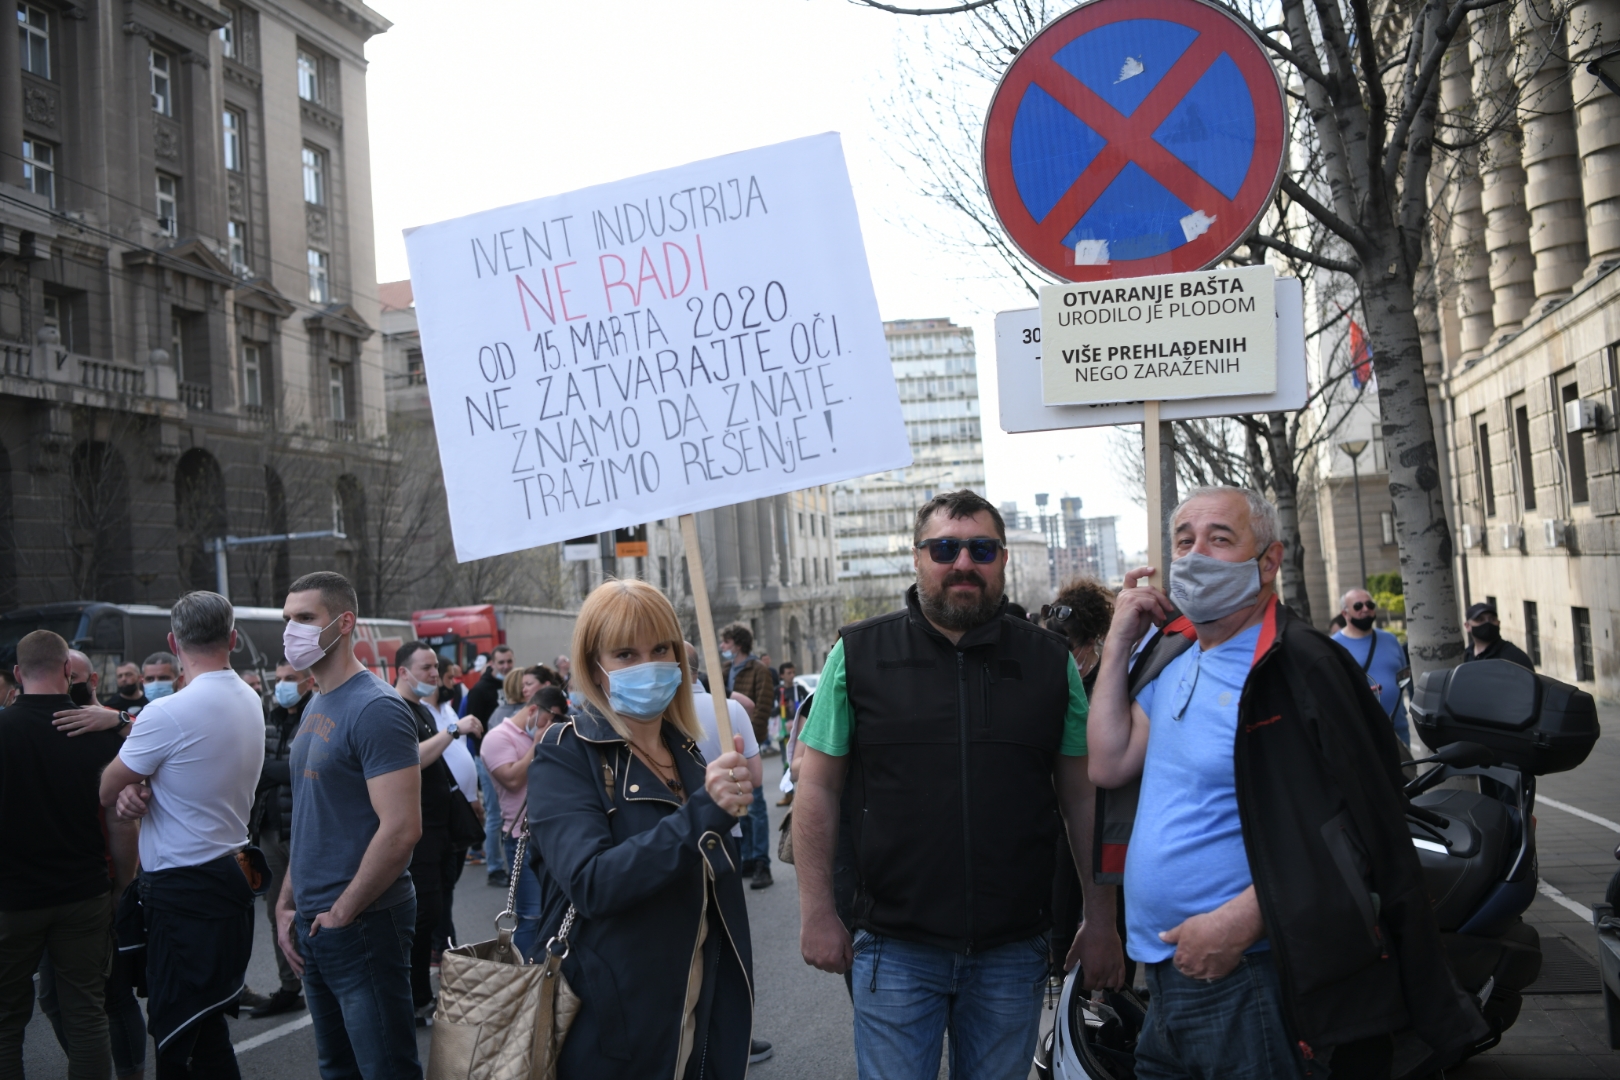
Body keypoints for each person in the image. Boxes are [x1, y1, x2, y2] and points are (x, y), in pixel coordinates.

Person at [1086, 486, 1488, 1079]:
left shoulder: (1302, 664)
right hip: (1164, 979)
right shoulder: (1177, 658)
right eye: (1184, 540)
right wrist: (1119, 640)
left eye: (1220, 539)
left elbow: (1365, 825)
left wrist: (1246, 919)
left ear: (1269, 562)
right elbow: (1108, 761)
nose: (1196, 555)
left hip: (1247, 974)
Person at [795, 489, 1120, 1079]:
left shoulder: (1051, 662)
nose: (963, 562)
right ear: (917, 558)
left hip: (1013, 950)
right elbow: (816, 787)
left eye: (981, 548)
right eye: (944, 547)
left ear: (1001, 559)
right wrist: (817, 911)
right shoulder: (857, 653)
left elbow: (1082, 798)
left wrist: (1101, 921)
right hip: (892, 950)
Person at [529, 580, 754, 1079]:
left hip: (694, 1008)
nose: (648, 665)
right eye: (626, 653)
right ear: (595, 668)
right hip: (611, 1026)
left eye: (660, 649)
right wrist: (703, 813)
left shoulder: (690, 755)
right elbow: (592, 883)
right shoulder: (565, 754)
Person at [98, 592, 265, 1078]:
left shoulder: (166, 714)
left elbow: (109, 787)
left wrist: (136, 784)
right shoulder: (249, 697)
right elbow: (190, 767)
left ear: (173, 643)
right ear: (232, 639)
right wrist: (145, 785)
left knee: (181, 1037)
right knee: (206, 1028)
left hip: (183, 888)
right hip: (232, 874)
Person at [274, 572, 423, 1080]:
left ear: (344, 623)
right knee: (337, 1069)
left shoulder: (377, 708)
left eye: (305, 618)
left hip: (363, 922)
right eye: (287, 619)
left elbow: (401, 829)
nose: (291, 629)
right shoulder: (316, 700)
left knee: (384, 1068)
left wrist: (341, 912)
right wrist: (287, 900)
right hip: (320, 922)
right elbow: (314, 815)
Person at [0, 631, 138, 1080]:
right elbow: (121, 821)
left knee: (5, 1022)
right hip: (83, 893)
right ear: (66, 670)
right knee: (86, 1012)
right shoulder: (97, 732)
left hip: (12, 899)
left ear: (18, 675)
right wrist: (121, 885)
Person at [393, 640, 481, 1022]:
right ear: (403, 672)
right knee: (423, 915)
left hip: (441, 830)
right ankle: (414, 998)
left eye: (434, 668)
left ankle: (431, 990)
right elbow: (413, 758)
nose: (434, 674)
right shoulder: (397, 711)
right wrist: (452, 729)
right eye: (426, 668)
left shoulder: (421, 710)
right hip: (420, 831)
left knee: (437, 910)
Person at [247, 661, 313, 1019]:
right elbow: (251, 768)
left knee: (315, 910)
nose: (283, 685)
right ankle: (290, 987)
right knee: (278, 914)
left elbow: (307, 770)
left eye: (291, 679)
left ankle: (323, 982)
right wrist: (279, 773)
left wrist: (273, 773)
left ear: (309, 681)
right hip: (269, 830)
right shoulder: (268, 718)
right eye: (280, 679)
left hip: (303, 830)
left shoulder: (316, 715)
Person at [480, 686, 566, 958]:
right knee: (531, 916)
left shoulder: (541, 731)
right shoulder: (497, 738)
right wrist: (538, 744)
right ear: (532, 710)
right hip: (523, 837)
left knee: (554, 916)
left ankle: (545, 979)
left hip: (552, 834)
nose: (550, 725)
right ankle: (527, 979)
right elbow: (513, 779)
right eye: (549, 718)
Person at [719, 623, 775, 889]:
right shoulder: (726, 670)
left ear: (738, 644)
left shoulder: (758, 670)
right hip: (729, 743)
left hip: (749, 742)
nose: (723, 648)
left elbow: (763, 705)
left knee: (756, 802)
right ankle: (750, 858)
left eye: (726, 643)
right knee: (741, 803)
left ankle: (762, 861)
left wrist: (754, 737)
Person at [1331, 589, 1411, 745]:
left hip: (1398, 730)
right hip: (1362, 736)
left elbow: (1406, 678)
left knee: (1406, 770)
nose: (1365, 609)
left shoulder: (1390, 640)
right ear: (1345, 614)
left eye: (1369, 604)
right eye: (1358, 606)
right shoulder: (1334, 646)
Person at [465, 645, 515, 887]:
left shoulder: (513, 687)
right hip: (488, 761)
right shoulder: (480, 691)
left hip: (512, 760)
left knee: (511, 814)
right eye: (501, 662)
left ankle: (510, 864)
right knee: (495, 815)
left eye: (509, 661)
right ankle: (495, 868)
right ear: (492, 664)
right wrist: (487, 756)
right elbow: (474, 731)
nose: (506, 666)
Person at [1461, 601, 1535, 670]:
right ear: (1467, 626)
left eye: (1492, 619)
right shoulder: (1464, 656)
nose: (1487, 623)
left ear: (1498, 623)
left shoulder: (1515, 657)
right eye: (1480, 620)